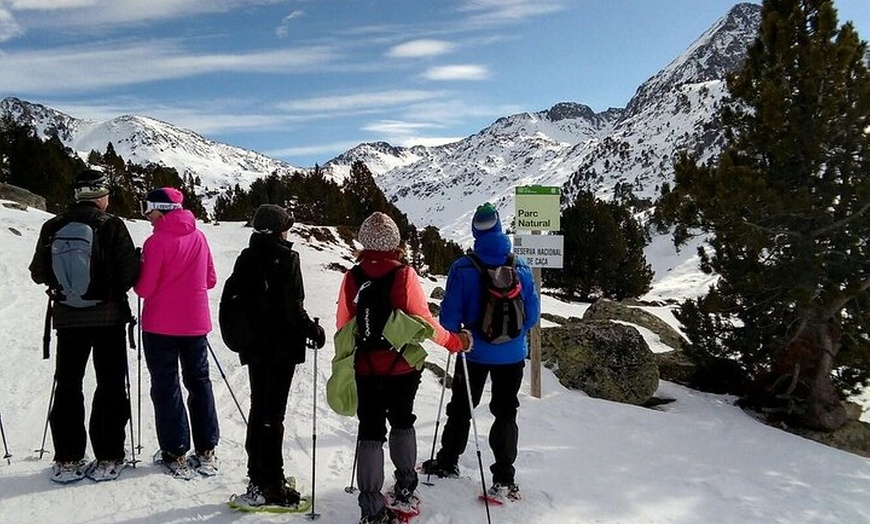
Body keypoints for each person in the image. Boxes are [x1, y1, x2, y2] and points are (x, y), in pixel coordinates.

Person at [334, 212, 470, 524]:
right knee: (402, 420)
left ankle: (371, 505)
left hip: (365, 366)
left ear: (364, 242)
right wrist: (454, 342)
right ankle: (406, 486)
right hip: (402, 366)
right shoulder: (404, 275)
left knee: (370, 430)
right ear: (395, 242)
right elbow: (424, 321)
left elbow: (343, 324)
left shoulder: (352, 276)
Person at [421, 202, 540, 502]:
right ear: (499, 227)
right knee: (506, 411)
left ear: (475, 230)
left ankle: (448, 461)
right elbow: (533, 316)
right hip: (513, 355)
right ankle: (503, 477)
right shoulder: (521, 266)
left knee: (461, 406)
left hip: (472, 352)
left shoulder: (463, 268)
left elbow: (448, 320)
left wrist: (466, 331)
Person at [29, 169, 140, 483]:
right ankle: (108, 456)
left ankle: (67, 457)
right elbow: (129, 274)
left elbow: (38, 272)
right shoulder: (112, 225)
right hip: (109, 318)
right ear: (101, 195)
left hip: (67, 319)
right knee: (110, 385)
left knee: (67, 385)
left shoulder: (53, 226)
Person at [228, 204, 326, 507]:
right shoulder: (287, 258)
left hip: (255, 348)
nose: (289, 231)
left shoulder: (246, 257)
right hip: (280, 349)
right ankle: (272, 484)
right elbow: (292, 308)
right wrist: (314, 331)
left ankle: (257, 475)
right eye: (287, 226)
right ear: (279, 229)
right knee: (274, 415)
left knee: (260, 409)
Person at [134, 187, 220, 478]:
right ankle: (206, 447)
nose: (146, 214)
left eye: (148, 208)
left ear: (160, 209)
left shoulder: (155, 242)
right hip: (195, 323)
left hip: (160, 325)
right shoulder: (199, 236)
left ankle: (176, 449)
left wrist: (138, 271)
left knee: (166, 385)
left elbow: (144, 289)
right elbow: (210, 279)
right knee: (200, 382)